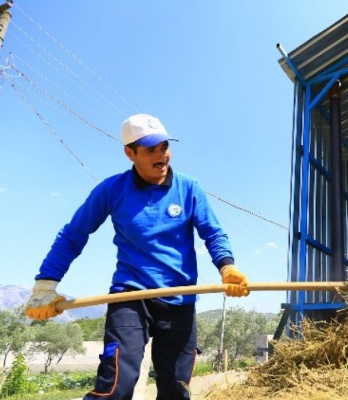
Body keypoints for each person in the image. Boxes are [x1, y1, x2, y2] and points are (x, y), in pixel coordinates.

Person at [24, 113, 249, 400]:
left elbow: (213, 233)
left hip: (180, 297)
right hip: (131, 297)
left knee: (176, 392)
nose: (162, 156)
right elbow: (73, 235)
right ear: (129, 153)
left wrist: (227, 267)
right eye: (151, 150)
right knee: (117, 387)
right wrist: (45, 285)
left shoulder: (189, 188)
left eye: (165, 147)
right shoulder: (111, 189)